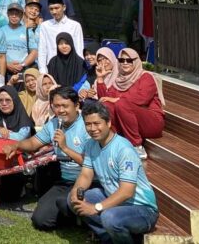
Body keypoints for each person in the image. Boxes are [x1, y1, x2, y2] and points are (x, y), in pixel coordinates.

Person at [68, 102, 159, 243]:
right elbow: (86, 175)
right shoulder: (91, 144)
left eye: (97, 123)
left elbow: (126, 192)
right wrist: (76, 191)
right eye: (88, 124)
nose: (92, 129)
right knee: (73, 200)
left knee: (109, 217)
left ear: (109, 123)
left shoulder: (124, 149)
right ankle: (108, 238)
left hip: (142, 209)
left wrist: (95, 208)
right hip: (115, 200)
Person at [3, 86, 89, 233]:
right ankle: (75, 215)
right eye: (56, 106)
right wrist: (16, 145)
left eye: (65, 106)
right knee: (40, 220)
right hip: (66, 182)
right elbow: (33, 143)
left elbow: (92, 163)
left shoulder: (89, 125)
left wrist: (65, 148)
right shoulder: (54, 124)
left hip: (90, 182)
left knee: (71, 203)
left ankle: (82, 214)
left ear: (77, 105)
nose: (60, 110)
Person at [97, 48, 165, 159]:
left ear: (136, 61)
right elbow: (104, 99)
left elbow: (142, 99)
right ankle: (116, 142)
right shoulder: (119, 79)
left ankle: (137, 146)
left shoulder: (146, 77)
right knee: (106, 106)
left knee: (121, 104)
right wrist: (100, 79)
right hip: (129, 123)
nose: (125, 63)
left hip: (152, 122)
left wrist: (116, 99)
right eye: (121, 60)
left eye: (129, 60)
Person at [38, 0, 84, 70]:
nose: (54, 12)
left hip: (71, 67)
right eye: (51, 9)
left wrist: (79, 68)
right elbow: (42, 49)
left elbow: (79, 49)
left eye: (57, 8)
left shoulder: (75, 25)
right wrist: (43, 70)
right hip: (52, 67)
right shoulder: (45, 26)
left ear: (64, 7)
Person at [0, 1, 39, 83]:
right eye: (11, 13)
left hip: (23, 70)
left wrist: (22, 65)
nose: (14, 16)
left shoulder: (27, 31)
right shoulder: (0, 31)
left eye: (17, 14)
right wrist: (6, 64)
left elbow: (34, 52)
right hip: (5, 70)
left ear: (21, 15)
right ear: (7, 14)